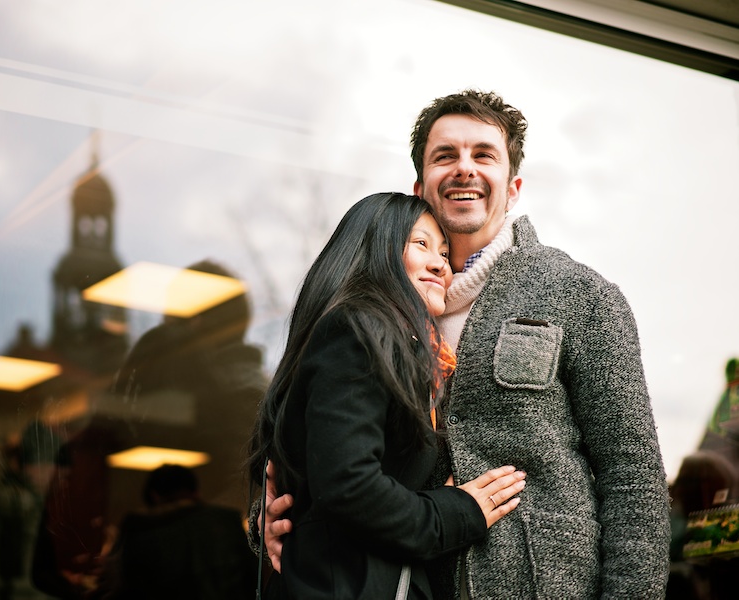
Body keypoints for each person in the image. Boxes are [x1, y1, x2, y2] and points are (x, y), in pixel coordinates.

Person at [254, 90, 672, 598]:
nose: (464, 169)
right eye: (445, 155)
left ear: (513, 188)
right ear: (420, 185)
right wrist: (276, 522)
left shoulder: (578, 294)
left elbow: (633, 477)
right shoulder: (373, 317)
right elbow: (333, 462)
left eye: (483, 155)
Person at [247, 192, 526, 599]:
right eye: (421, 244)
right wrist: (459, 511)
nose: (440, 265)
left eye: (445, 254)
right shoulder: (357, 329)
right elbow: (349, 484)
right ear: (375, 249)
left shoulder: (398, 349)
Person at [92, 464, 256, 600]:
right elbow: (251, 577)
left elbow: (117, 584)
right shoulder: (227, 520)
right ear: (195, 493)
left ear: (155, 496)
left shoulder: (140, 525)